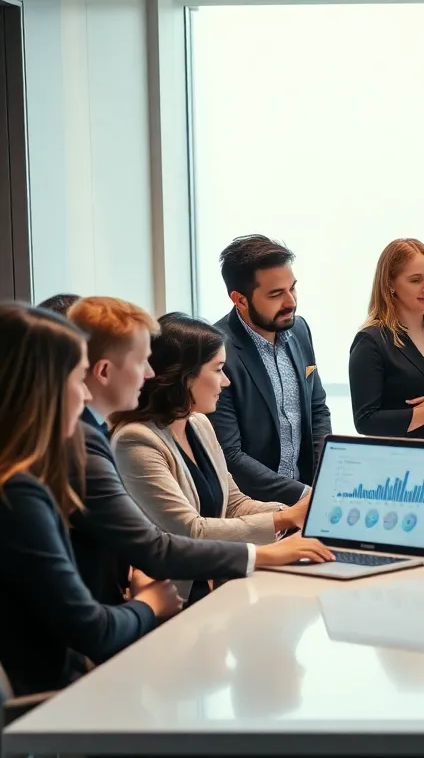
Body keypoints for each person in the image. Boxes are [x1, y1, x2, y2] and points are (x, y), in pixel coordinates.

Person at [65, 297, 332, 606]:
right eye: (218, 369)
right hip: (175, 598)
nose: (226, 381)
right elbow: (190, 530)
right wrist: (283, 522)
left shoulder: (200, 424)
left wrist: (294, 517)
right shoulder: (134, 440)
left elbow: (233, 503)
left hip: (216, 586)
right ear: (184, 376)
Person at [0, 303, 181, 697]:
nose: (83, 393)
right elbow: (93, 632)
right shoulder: (16, 494)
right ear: (40, 388)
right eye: (75, 377)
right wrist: (152, 603)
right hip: (51, 711)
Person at [210, 235, 331, 505]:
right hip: (253, 508)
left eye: (292, 288)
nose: (290, 302)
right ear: (240, 300)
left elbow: (317, 408)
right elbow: (229, 454)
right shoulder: (216, 352)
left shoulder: (299, 330)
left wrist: (326, 478)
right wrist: (303, 496)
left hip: (307, 499)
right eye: (276, 294)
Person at [348, 238, 424, 443]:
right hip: (400, 462)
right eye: (416, 280)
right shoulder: (370, 341)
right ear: (390, 283)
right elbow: (366, 421)